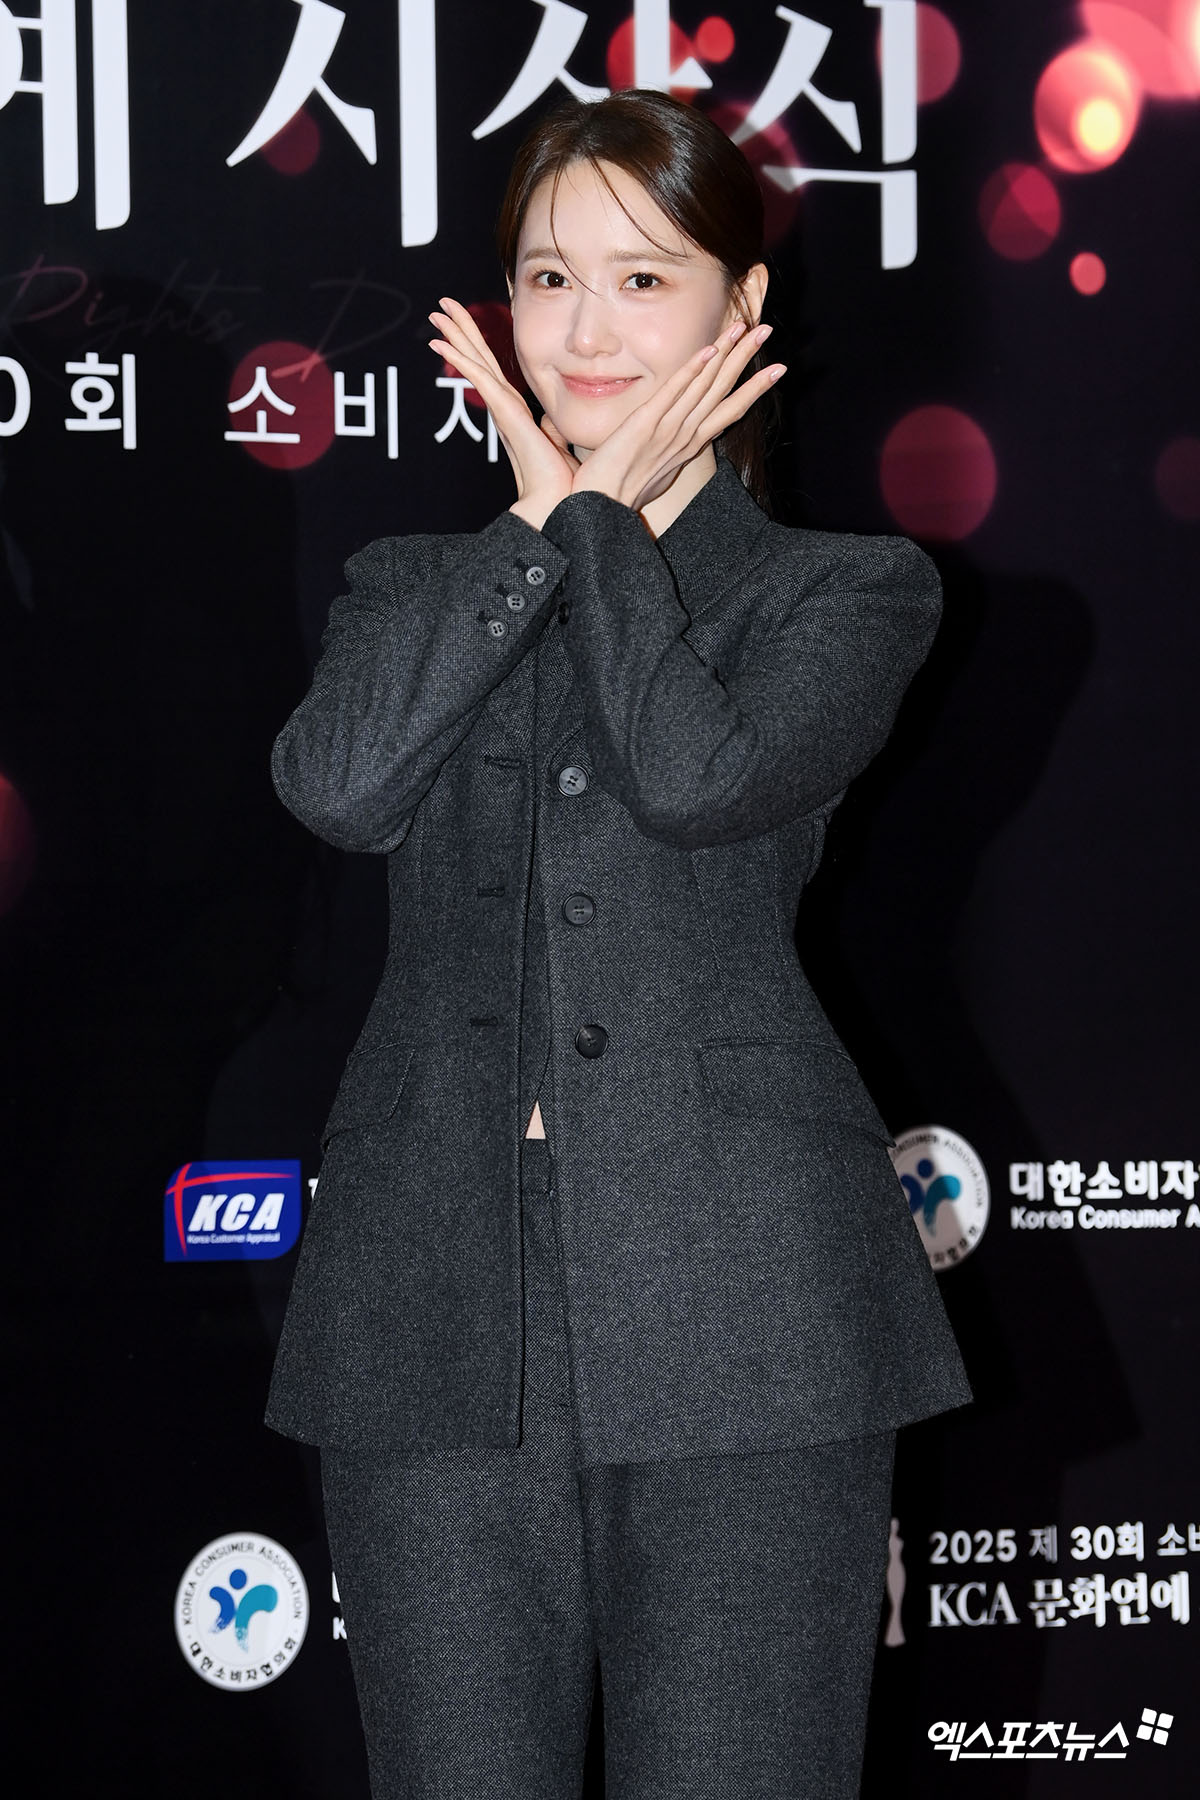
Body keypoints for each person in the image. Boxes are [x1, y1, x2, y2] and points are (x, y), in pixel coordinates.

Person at [266, 89, 972, 1800]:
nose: (583, 330)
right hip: (433, 1305)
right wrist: (531, 534)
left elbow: (696, 777)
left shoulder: (844, 590)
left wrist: (595, 515)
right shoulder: (413, 584)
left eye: (642, 280)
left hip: (754, 1308)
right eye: (546, 276)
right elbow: (337, 787)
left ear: (743, 309)